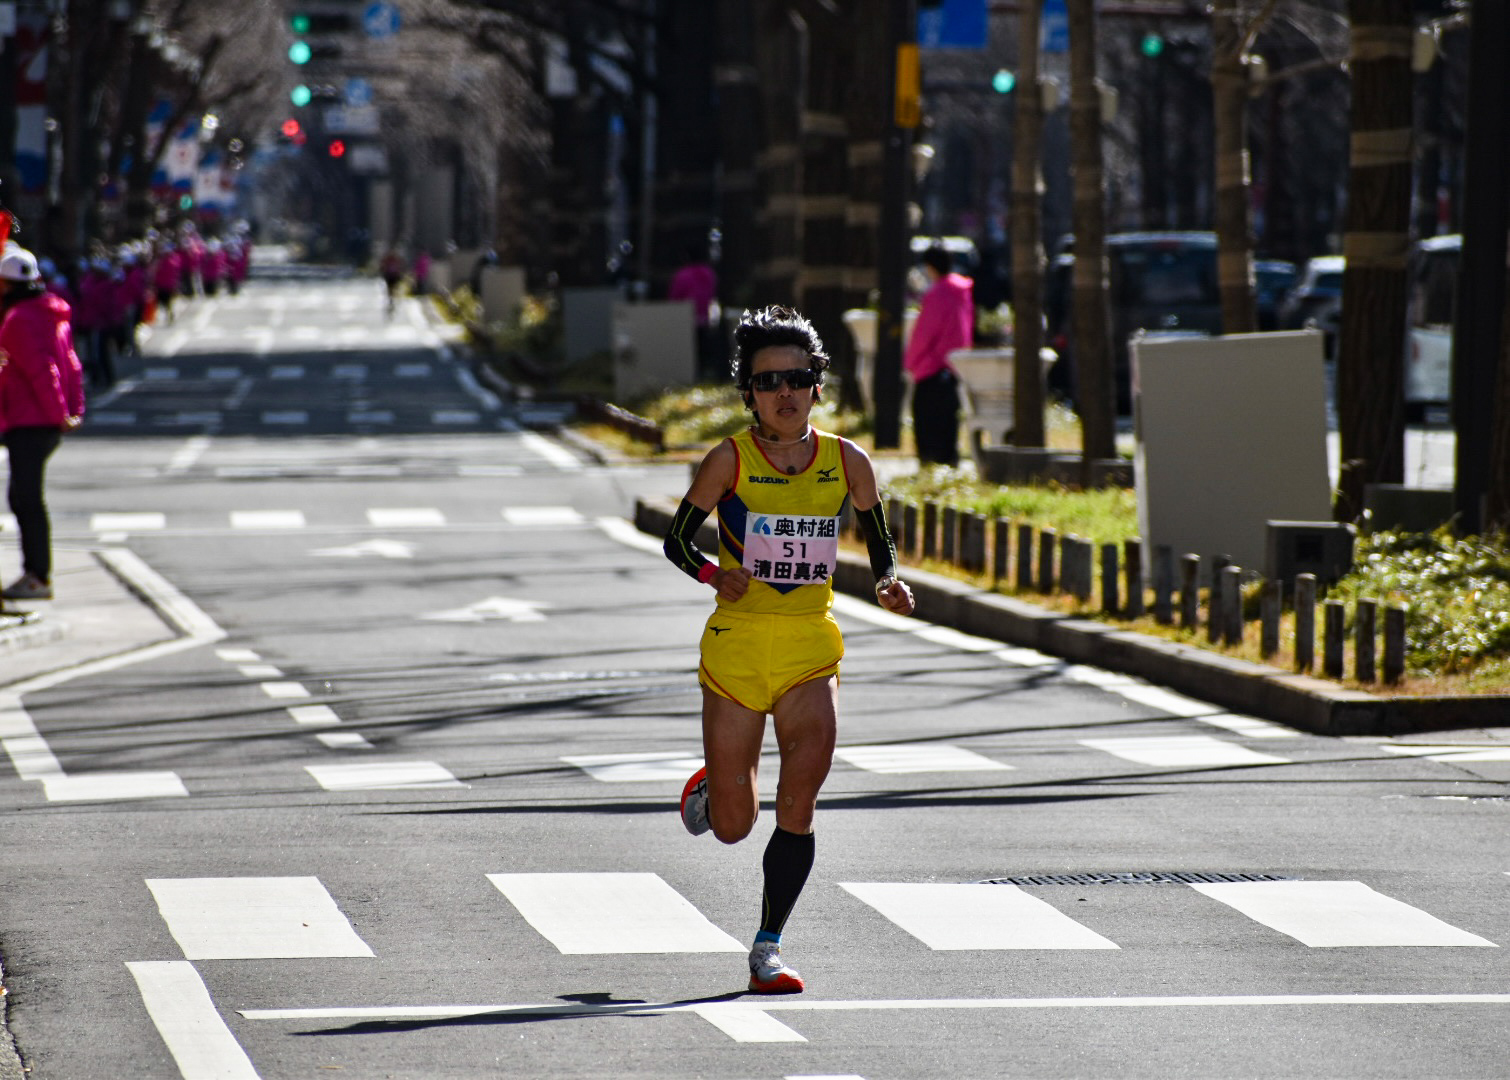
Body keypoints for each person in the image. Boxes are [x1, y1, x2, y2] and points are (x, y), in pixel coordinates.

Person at [662, 305, 915, 994]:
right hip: (737, 649)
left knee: (798, 803)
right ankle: (717, 790)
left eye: (798, 378)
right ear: (748, 390)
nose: (785, 392)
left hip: (810, 645)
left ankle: (767, 946)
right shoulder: (730, 460)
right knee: (735, 828)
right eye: (769, 380)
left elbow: (878, 537)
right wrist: (717, 574)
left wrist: (890, 581)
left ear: (817, 386)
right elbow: (677, 540)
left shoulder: (845, 460)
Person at [0, 247, 85, 601]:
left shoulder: (18, 319)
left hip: (30, 420)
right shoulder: (51, 313)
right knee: (22, 498)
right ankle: (36, 573)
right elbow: (72, 365)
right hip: (41, 421)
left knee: (28, 500)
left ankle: (37, 576)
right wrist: (73, 409)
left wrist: (56, 414)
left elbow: (42, 371)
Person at [904, 245, 973, 466]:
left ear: (930, 266)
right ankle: (949, 461)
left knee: (926, 420)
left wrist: (911, 362)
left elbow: (925, 333)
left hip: (932, 367)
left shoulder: (937, 294)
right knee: (948, 422)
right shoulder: (962, 291)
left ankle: (930, 464)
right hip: (954, 366)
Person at [669, 244, 719, 379]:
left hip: (687, 318)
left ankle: (692, 374)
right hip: (706, 317)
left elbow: (675, 297)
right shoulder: (708, 273)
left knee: (691, 348)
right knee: (705, 347)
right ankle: (707, 372)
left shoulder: (683, 275)